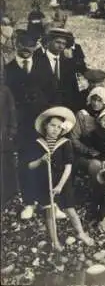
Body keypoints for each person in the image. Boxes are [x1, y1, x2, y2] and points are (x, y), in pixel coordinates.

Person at [5, 32, 61, 219]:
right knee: (25, 162)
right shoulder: (8, 69)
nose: (27, 49)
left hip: (42, 122)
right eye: (23, 44)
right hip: (21, 126)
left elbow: (53, 91)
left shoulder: (43, 64)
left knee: (46, 160)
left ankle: (49, 202)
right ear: (15, 44)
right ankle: (29, 202)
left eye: (31, 44)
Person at [28, 107, 94, 250]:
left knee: (70, 209)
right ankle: (55, 240)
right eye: (52, 125)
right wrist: (41, 160)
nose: (55, 129)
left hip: (63, 182)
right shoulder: (38, 143)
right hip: (45, 182)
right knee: (50, 212)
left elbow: (68, 167)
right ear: (45, 126)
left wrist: (60, 186)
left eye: (59, 127)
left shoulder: (65, 143)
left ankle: (81, 233)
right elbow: (30, 166)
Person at [71, 86, 105, 183]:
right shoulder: (82, 114)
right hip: (86, 155)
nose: (95, 103)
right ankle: (97, 191)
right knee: (96, 166)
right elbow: (74, 139)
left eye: (99, 100)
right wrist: (87, 150)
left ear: (104, 102)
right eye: (93, 99)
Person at [34, 28, 83, 112]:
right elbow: (34, 89)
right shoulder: (36, 61)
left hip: (65, 109)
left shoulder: (69, 63)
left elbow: (73, 89)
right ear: (49, 41)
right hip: (42, 109)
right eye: (58, 42)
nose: (61, 46)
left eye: (64, 44)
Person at [0, 83, 17, 210]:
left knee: (4, 165)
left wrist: (11, 131)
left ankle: (6, 196)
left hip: (3, 135)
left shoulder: (5, 90)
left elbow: (12, 111)